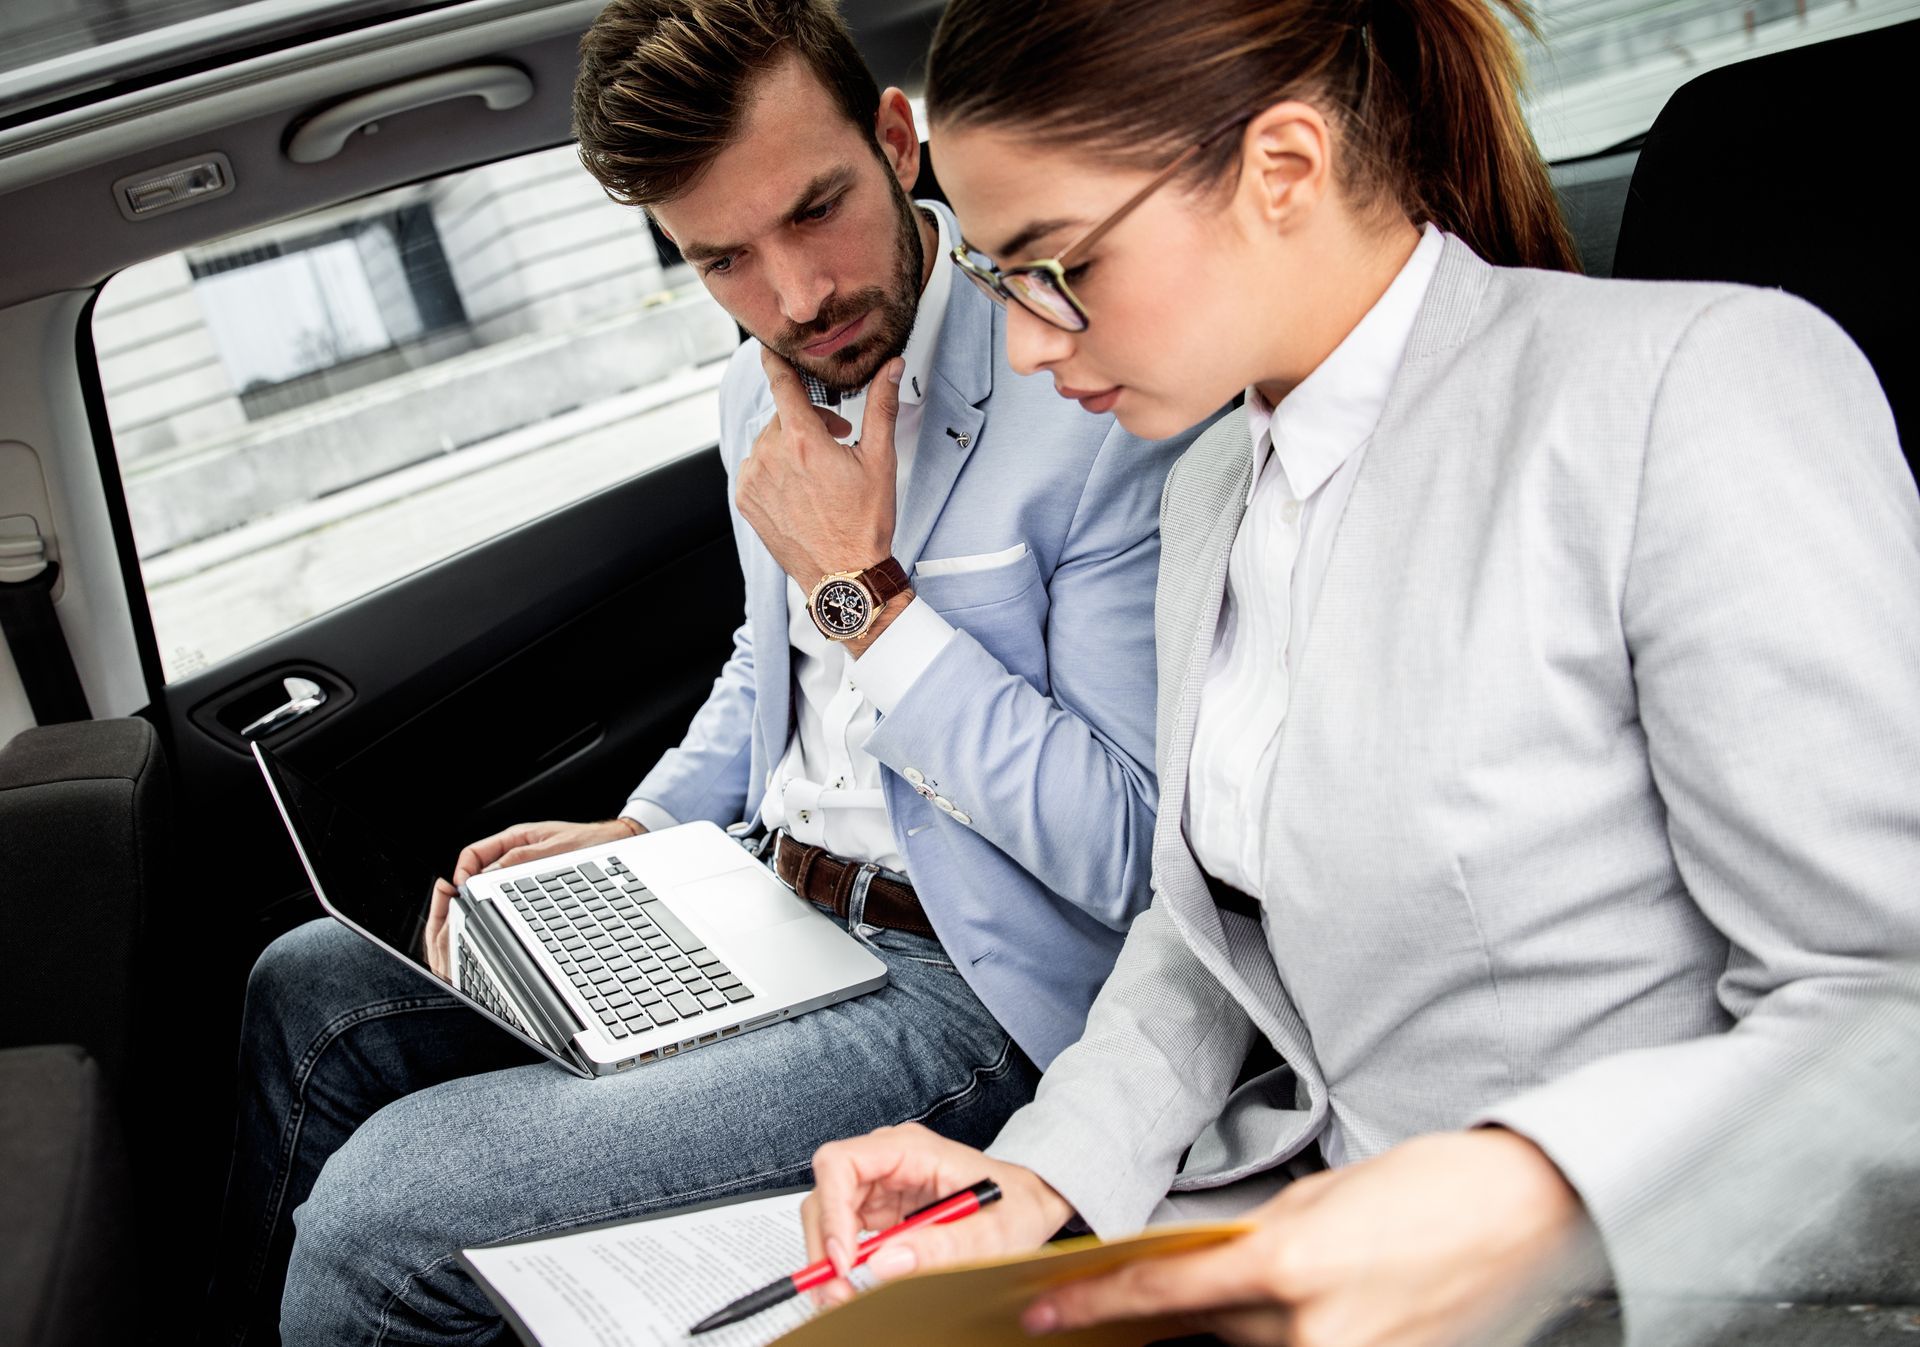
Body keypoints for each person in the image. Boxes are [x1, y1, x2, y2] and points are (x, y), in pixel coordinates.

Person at [797, 0, 1920, 1343]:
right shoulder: (1214, 484)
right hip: (1297, 1256)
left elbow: (1888, 1008)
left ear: (1284, 168)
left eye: (1062, 266)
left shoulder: (1685, 391)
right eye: (996, 279)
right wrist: (1038, 1180)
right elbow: (1210, 928)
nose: (1030, 345)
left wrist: (1533, 1192)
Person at [201, 1, 1203, 1340]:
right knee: (307, 980)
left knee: (385, 1214)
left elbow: (1133, 852)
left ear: (896, 141)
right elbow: (765, 667)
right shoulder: (760, 386)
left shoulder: (1085, 388)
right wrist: (648, 832)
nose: (797, 298)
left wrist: (870, 598)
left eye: (816, 210)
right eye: (724, 259)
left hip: (969, 987)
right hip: (755, 892)